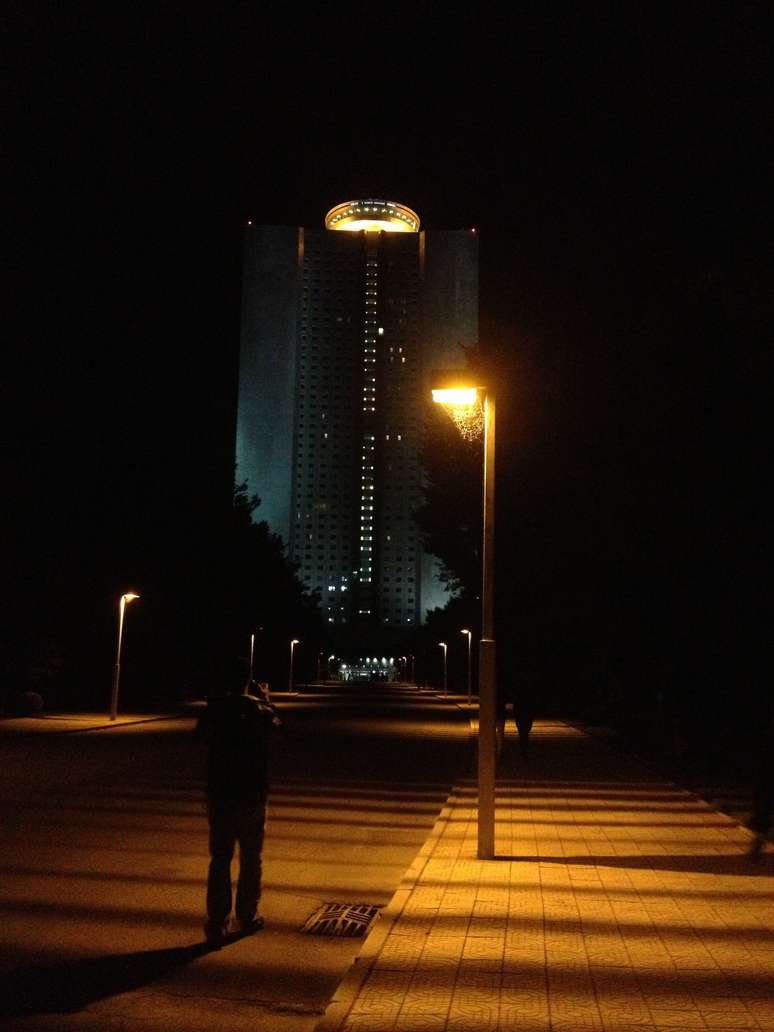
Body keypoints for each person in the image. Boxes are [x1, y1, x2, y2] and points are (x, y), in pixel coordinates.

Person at [196, 657, 281, 946]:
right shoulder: (260, 710)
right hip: (252, 793)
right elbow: (278, 730)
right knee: (251, 857)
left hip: (220, 792)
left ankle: (217, 922)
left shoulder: (215, 709)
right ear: (249, 679)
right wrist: (265, 699)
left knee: (220, 858)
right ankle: (247, 914)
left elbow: (200, 737)